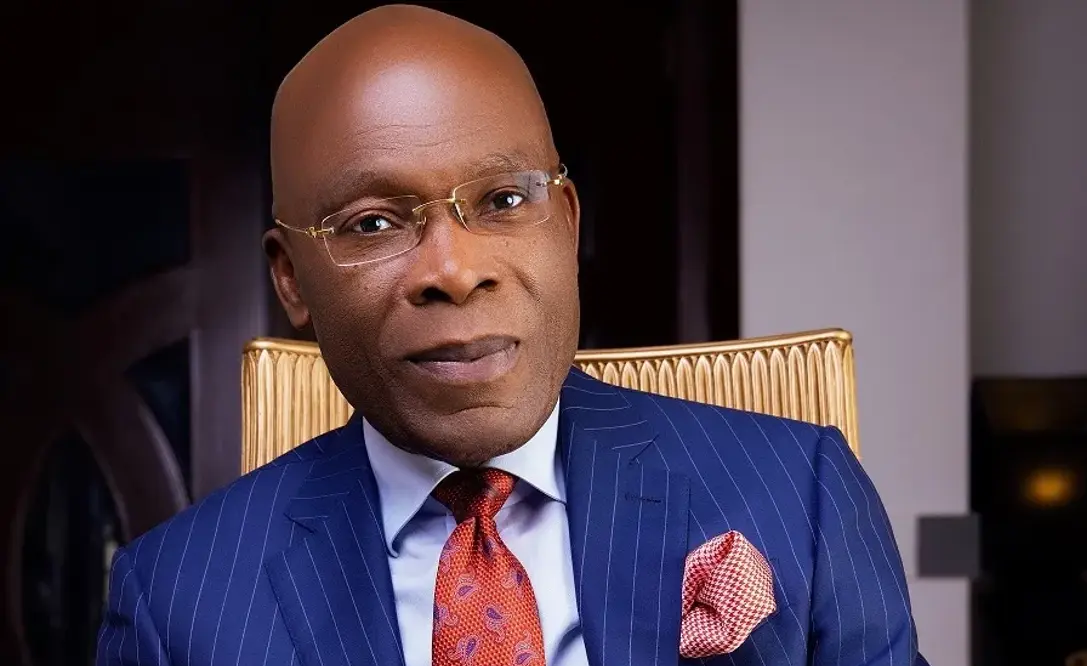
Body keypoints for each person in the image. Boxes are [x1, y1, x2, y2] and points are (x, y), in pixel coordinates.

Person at [95, 5, 929, 666]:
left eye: (502, 201)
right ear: (290, 281)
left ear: (567, 223)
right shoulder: (176, 603)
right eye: (374, 222)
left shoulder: (800, 495)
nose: (454, 271)